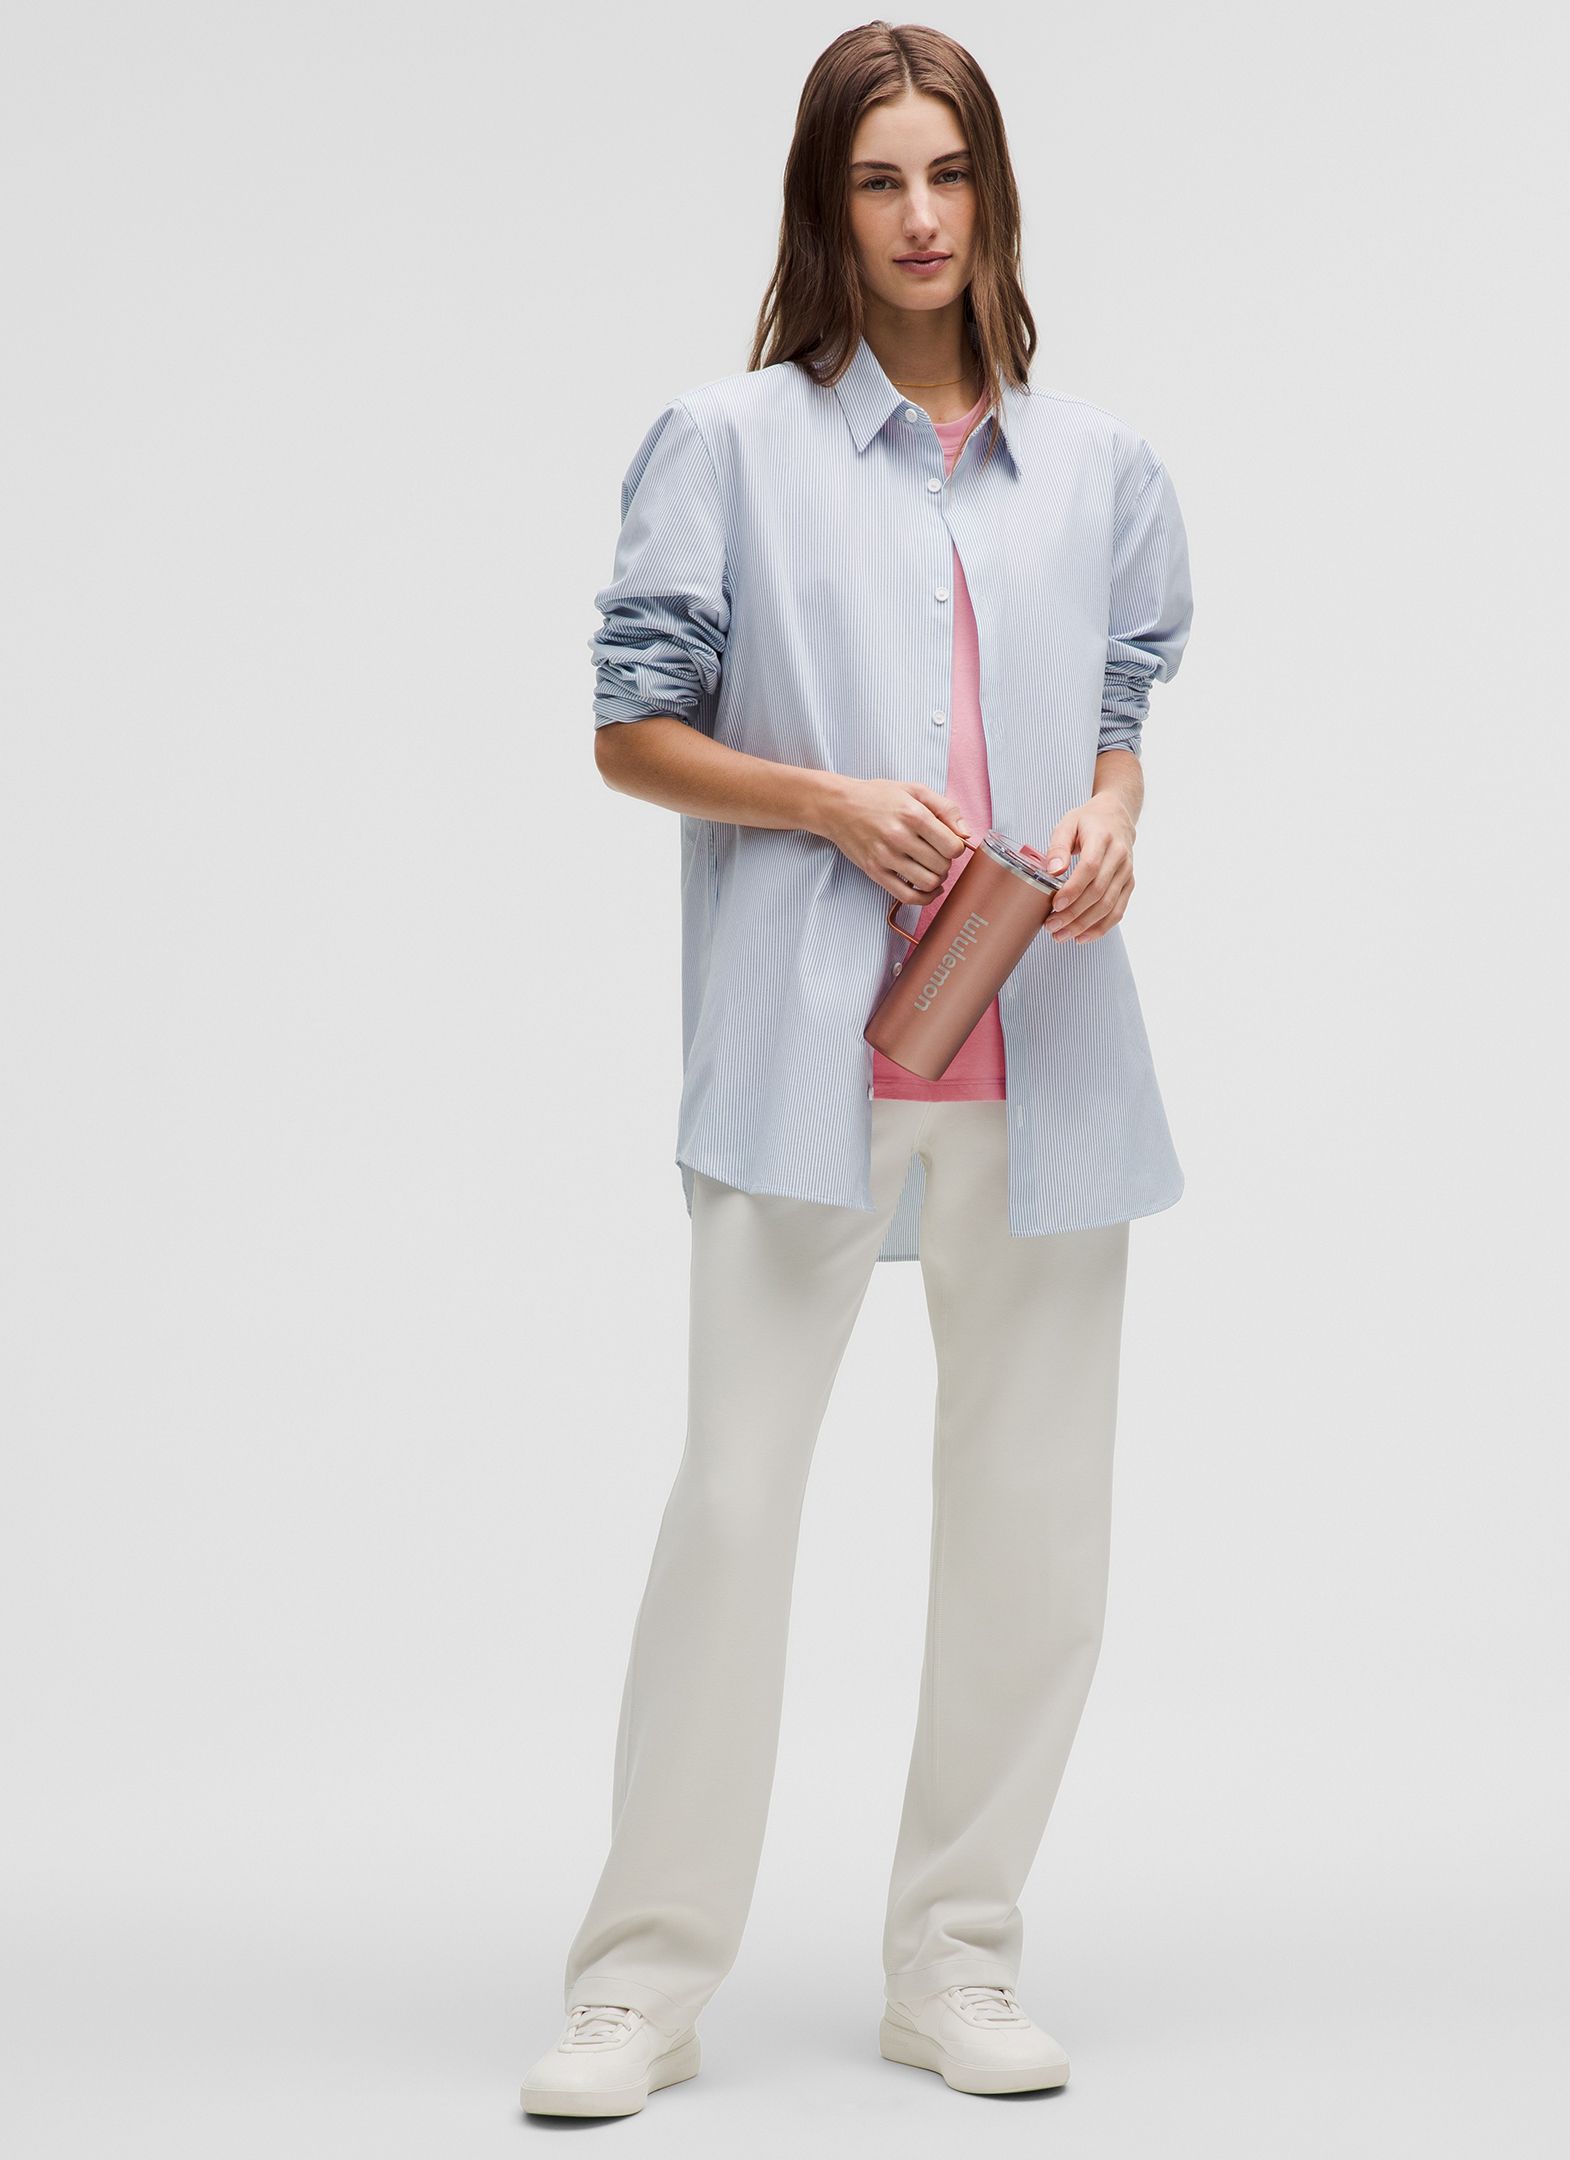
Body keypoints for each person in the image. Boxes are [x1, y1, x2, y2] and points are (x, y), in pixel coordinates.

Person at [521, 19, 1193, 2119]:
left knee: (1034, 1536)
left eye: (949, 173)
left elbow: (1120, 713)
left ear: (996, 192)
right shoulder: (726, 443)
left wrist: (1114, 819)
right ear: (827, 205)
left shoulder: (1100, 468)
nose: (919, 217)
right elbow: (630, 732)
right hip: (804, 1056)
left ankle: (957, 1960)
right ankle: (640, 1987)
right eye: (878, 179)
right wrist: (823, 800)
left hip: (1044, 1050)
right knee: (735, 1511)